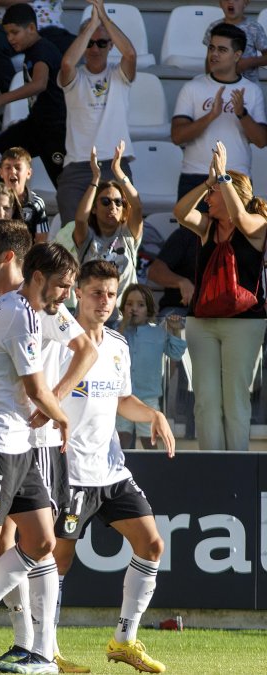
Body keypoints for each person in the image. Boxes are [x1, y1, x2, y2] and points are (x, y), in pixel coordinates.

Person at [0, 228, 96, 674]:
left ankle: (31, 646)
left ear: (9, 256)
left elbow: (86, 350)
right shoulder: (1, 306)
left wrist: (54, 399)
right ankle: (13, 642)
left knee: (34, 543)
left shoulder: (44, 308)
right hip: (6, 433)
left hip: (36, 435)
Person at [52, 260, 175, 675]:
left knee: (152, 544)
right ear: (77, 294)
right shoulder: (60, 342)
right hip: (69, 470)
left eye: (110, 293)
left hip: (111, 470)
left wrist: (152, 414)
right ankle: (45, 647)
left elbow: (123, 400)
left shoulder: (118, 345)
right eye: (95, 293)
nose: (104, 301)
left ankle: (123, 641)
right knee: (57, 561)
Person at [172, 142, 266, 452]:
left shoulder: (258, 225)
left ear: (232, 194)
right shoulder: (207, 228)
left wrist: (224, 176)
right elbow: (180, 212)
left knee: (235, 401)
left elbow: (240, 219)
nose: (209, 200)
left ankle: (235, 474)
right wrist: (207, 182)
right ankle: (211, 468)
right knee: (206, 402)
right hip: (203, 321)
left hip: (244, 323)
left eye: (213, 195)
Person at [55, 0, 136, 220]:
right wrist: (92, 24)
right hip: (77, 167)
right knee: (72, 236)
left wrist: (104, 18)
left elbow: (130, 54)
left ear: (111, 45)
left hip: (115, 165)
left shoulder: (119, 74)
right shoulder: (74, 76)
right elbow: (67, 65)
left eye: (101, 43)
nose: (95, 49)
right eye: (89, 43)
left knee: (119, 236)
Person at [170, 23, 267, 201]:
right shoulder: (192, 88)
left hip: (237, 177)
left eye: (222, 50)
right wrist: (211, 116)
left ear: (237, 55)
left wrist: (242, 114)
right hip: (195, 176)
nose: (214, 54)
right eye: (211, 48)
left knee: (234, 230)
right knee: (190, 230)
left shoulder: (252, 91)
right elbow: (177, 136)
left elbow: (261, 141)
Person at [0, 5, 68, 189]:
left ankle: (82, 217)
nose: (10, 38)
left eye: (14, 32)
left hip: (55, 131)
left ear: (31, 28)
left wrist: (2, 99)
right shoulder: (32, 51)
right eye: (7, 33)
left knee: (64, 185)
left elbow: (39, 83)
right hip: (36, 126)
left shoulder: (42, 50)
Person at [69, 142, 143, 301]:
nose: (113, 206)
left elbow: (136, 206)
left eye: (118, 202)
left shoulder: (128, 235)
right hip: (92, 313)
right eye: (105, 202)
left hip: (125, 316)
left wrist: (117, 170)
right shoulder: (87, 238)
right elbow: (81, 219)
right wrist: (95, 177)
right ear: (94, 208)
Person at [116, 284, 186, 449]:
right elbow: (110, 349)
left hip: (148, 396)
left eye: (140, 305)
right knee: (122, 439)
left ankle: (154, 471)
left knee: (149, 440)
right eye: (129, 304)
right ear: (122, 307)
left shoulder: (158, 332)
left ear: (149, 309)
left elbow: (176, 353)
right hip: (121, 396)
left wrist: (175, 331)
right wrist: (123, 325)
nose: (134, 309)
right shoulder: (116, 331)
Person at [0, 0, 75, 92]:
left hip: (47, 28)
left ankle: (54, 98)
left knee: (73, 46)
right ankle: (14, 96)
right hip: (7, 28)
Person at [204, 0, 267, 82]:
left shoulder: (254, 28)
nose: (230, 2)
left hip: (248, 85)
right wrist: (209, 80)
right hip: (220, 83)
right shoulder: (213, 27)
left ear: (246, 2)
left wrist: (249, 62)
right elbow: (209, 57)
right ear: (220, 3)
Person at [0, 147, 50, 243]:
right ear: (1, 172)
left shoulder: (36, 203)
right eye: (8, 167)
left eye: (18, 167)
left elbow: (41, 240)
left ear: (29, 173)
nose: (12, 171)